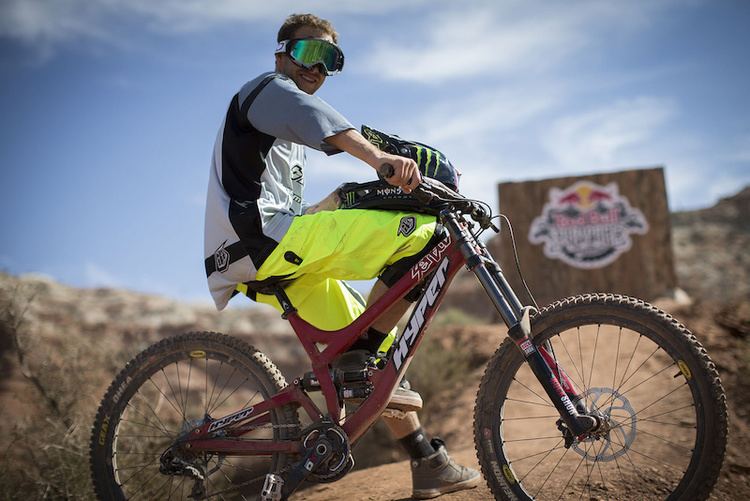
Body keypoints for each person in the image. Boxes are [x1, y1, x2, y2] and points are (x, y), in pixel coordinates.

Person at [204, 13, 480, 499]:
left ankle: (427, 461)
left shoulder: (282, 137)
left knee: (372, 349)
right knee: (431, 236)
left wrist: (332, 203)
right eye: (308, 53)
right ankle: (359, 361)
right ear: (281, 53)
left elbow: (283, 197)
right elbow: (323, 122)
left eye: (330, 59)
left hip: (267, 253)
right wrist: (380, 161)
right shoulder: (265, 90)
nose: (317, 67)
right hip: (259, 244)